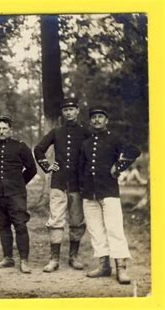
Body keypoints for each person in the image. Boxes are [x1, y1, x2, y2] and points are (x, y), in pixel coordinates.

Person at [78, 105, 140, 285]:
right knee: (96, 230)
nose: (97, 120)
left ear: (106, 120)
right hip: (90, 193)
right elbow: (81, 168)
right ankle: (104, 266)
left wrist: (118, 166)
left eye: (100, 117)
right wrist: (82, 189)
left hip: (109, 191)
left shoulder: (114, 138)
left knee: (114, 228)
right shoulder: (86, 143)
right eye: (94, 117)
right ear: (90, 121)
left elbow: (134, 150)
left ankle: (121, 268)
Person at [34, 98, 90, 272]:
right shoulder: (56, 132)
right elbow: (38, 149)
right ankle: (54, 259)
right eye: (65, 110)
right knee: (56, 219)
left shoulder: (86, 132)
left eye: (72, 109)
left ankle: (74, 257)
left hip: (78, 184)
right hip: (58, 183)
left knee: (77, 220)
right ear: (62, 113)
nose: (69, 113)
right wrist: (47, 165)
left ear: (77, 111)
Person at [0, 114, 37, 274]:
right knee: (3, 225)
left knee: (20, 225)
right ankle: (8, 258)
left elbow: (32, 169)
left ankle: (24, 261)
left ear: (11, 130)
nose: (1, 131)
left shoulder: (20, 147)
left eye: (5, 128)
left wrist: (19, 183)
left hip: (16, 194)